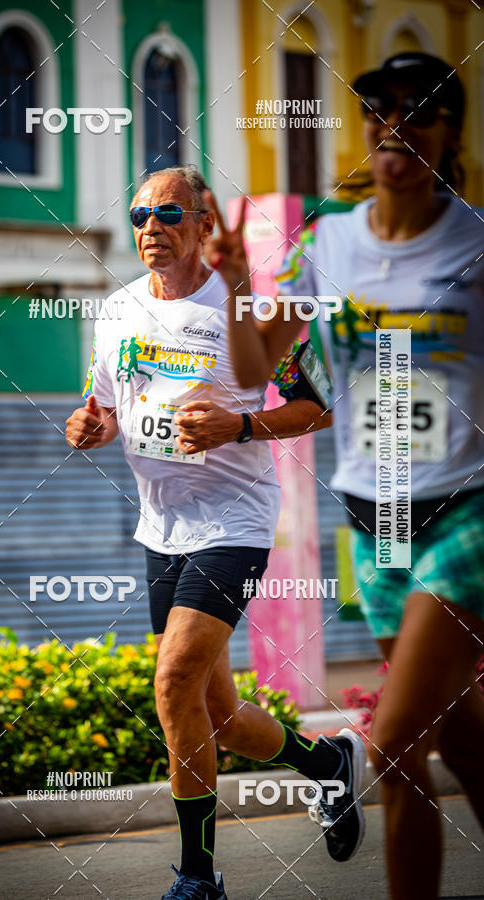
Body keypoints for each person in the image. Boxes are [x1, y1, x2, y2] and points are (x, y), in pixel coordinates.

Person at [218, 53, 484, 900]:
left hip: (466, 509)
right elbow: (264, 359)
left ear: (451, 134)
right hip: (374, 520)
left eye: (420, 108)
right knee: (459, 741)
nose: (395, 122)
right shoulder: (327, 239)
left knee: (397, 741)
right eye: (378, 107)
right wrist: (232, 285)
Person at [66, 165, 367, 900]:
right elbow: (100, 401)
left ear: (205, 225)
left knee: (172, 686)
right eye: (139, 214)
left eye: (168, 214)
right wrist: (89, 425)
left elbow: (314, 407)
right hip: (159, 528)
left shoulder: (244, 310)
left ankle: (199, 879)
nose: (150, 228)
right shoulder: (116, 310)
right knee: (217, 713)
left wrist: (240, 424)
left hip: (234, 524)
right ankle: (328, 763)